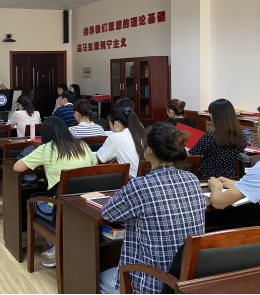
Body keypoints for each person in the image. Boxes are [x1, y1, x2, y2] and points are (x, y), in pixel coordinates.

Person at [100, 123, 206, 294]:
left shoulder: (140, 185)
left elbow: (108, 213)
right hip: (187, 280)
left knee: (101, 279)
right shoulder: (192, 179)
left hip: (153, 282)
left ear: (148, 150)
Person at [14, 116, 97, 268]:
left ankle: (57, 244)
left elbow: (17, 167)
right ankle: (66, 243)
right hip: (84, 204)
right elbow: (95, 164)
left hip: (59, 207)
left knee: (32, 203)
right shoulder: (82, 145)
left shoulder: (47, 149)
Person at [189, 99, 246, 180]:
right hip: (230, 179)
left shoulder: (210, 136)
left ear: (215, 116)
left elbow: (192, 154)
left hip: (208, 179)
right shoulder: (241, 137)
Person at [96, 107, 146, 179]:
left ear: (116, 124)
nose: (111, 130)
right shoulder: (140, 132)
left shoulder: (115, 137)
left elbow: (98, 159)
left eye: (110, 126)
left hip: (131, 181)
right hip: (147, 179)